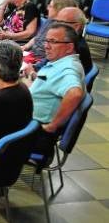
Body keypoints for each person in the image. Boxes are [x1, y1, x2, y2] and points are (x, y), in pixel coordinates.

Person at [26, 23, 85, 159]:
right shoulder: (59, 62)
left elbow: (75, 94)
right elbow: (48, 84)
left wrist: (53, 125)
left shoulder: (68, 69)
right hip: (29, 125)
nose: (46, 45)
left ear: (69, 47)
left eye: (53, 42)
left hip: (33, 132)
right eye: (46, 40)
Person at [22, 0, 77, 65]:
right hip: (31, 54)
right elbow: (37, 37)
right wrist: (25, 46)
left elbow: (52, 56)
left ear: (59, 9)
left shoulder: (61, 30)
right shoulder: (49, 20)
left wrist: (35, 66)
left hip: (40, 61)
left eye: (50, 6)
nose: (47, 8)